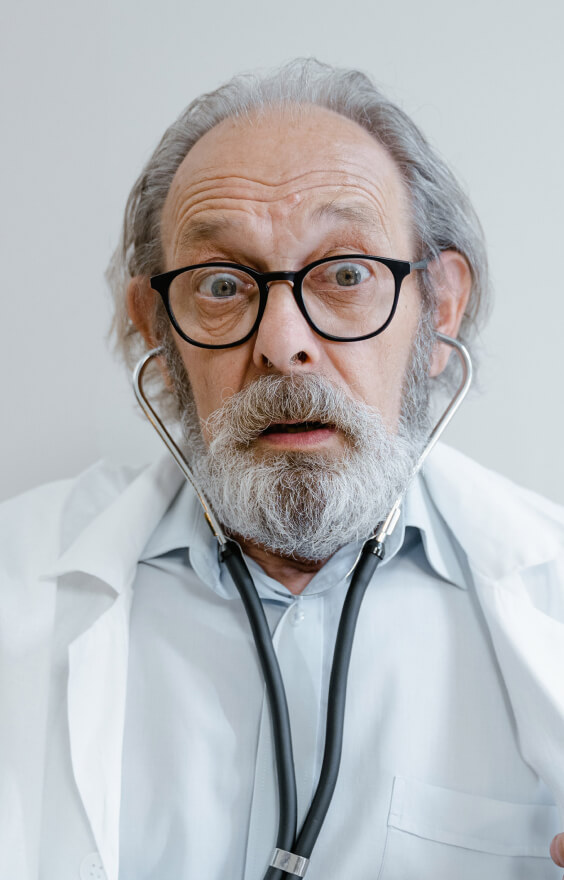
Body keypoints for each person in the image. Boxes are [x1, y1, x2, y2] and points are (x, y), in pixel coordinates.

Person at [1, 59, 564, 880]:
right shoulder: (14, 576)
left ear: (439, 307)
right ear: (157, 328)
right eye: (221, 284)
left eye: (346, 275)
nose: (283, 342)